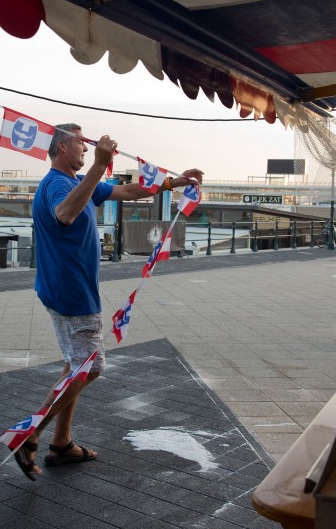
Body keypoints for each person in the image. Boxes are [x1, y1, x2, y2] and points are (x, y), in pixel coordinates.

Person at [14, 123, 203, 479]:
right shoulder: (57, 184)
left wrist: (174, 182)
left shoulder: (77, 183)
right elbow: (64, 214)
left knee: (76, 365)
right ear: (60, 147)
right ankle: (31, 435)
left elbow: (130, 190)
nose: (86, 148)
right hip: (71, 292)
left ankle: (61, 443)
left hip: (68, 288)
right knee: (91, 367)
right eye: (80, 143)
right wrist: (100, 165)